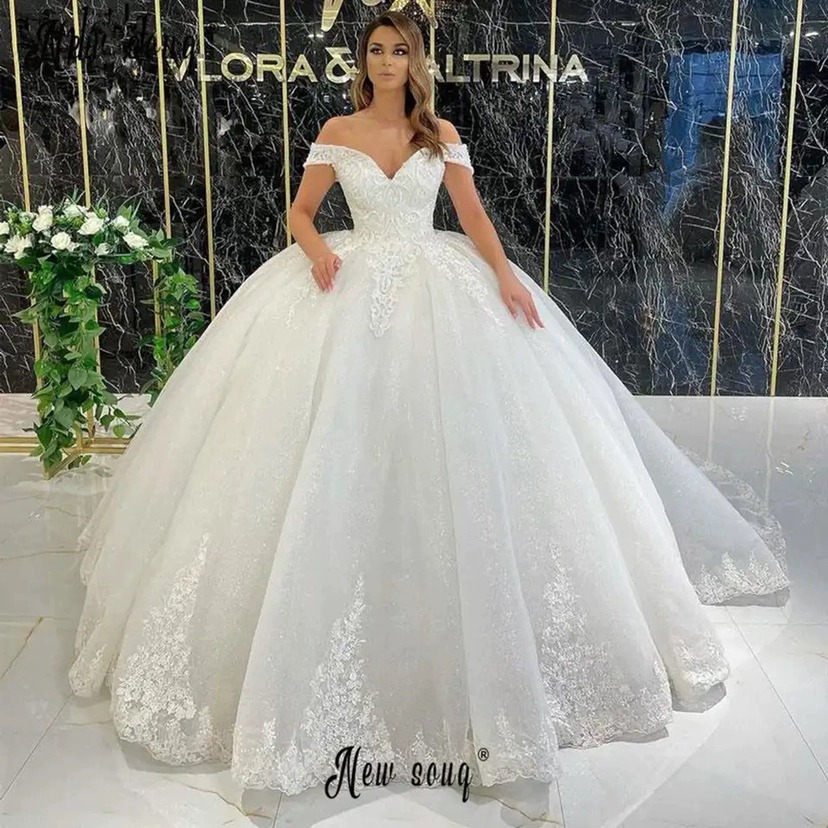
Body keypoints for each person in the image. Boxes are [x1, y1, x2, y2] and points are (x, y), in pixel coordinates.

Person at [68, 10, 789, 797]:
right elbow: (300, 212)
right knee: (321, 440)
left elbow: (471, 215)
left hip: (436, 287)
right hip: (345, 287)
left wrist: (505, 275)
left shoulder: (439, 133)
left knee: (463, 447)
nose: (386, 60)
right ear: (362, 60)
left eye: (399, 50)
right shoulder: (337, 130)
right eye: (376, 49)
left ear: (416, 60)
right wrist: (316, 252)